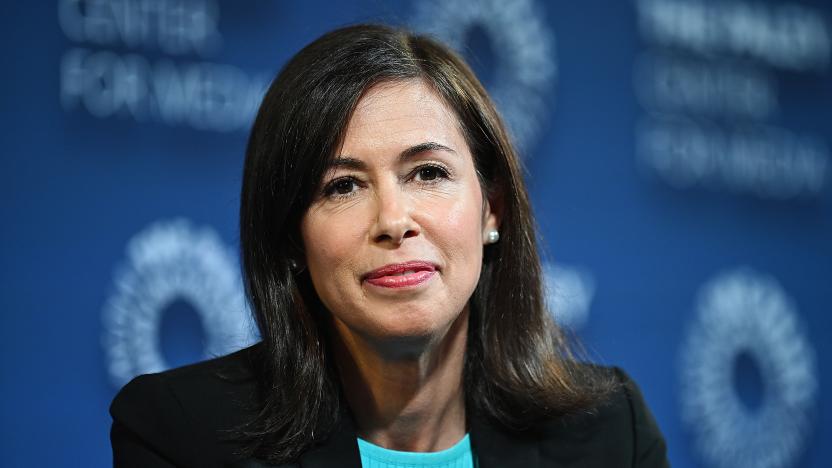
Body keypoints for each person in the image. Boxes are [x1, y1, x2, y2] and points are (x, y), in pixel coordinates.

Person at [110, 23, 670, 468]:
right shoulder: (184, 437)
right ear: (290, 239)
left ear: (491, 208)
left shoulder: (609, 435)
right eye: (343, 186)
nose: (394, 220)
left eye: (427, 172)